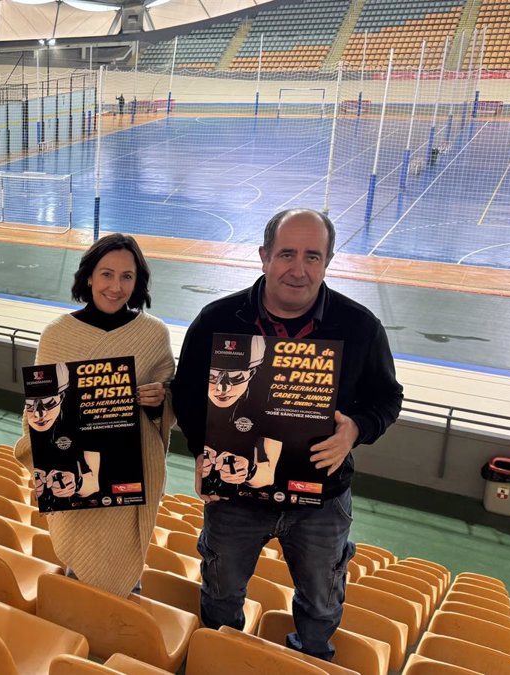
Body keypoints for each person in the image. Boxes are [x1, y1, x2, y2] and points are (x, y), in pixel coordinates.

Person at [171, 208, 403, 661]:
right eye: (287, 254)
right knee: (221, 593)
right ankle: (220, 656)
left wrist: (356, 428)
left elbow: (386, 398)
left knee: (321, 599)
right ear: (263, 256)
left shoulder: (359, 327)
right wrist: (202, 452)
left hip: (321, 498)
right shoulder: (218, 318)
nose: (299, 269)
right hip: (235, 495)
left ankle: (311, 656)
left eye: (313, 257)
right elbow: (187, 394)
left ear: (328, 261)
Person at [15, 233, 175, 597]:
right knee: (79, 564)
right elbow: (38, 409)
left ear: (138, 282)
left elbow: (168, 405)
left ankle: (121, 622)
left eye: (126, 277)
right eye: (106, 274)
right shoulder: (57, 334)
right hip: (76, 473)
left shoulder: (153, 334)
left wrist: (158, 402)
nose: (116, 287)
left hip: (129, 475)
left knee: (126, 566)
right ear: (89, 276)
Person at [200, 335, 282, 496]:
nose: (223, 389)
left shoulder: (267, 405)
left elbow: (268, 475)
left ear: (251, 374)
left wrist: (248, 470)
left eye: (236, 378)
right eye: (212, 377)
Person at [24, 363, 101, 511]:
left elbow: (94, 483)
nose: (39, 414)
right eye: (30, 406)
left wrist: (76, 483)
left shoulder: (82, 421)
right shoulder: (27, 426)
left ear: (62, 396)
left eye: (49, 404)